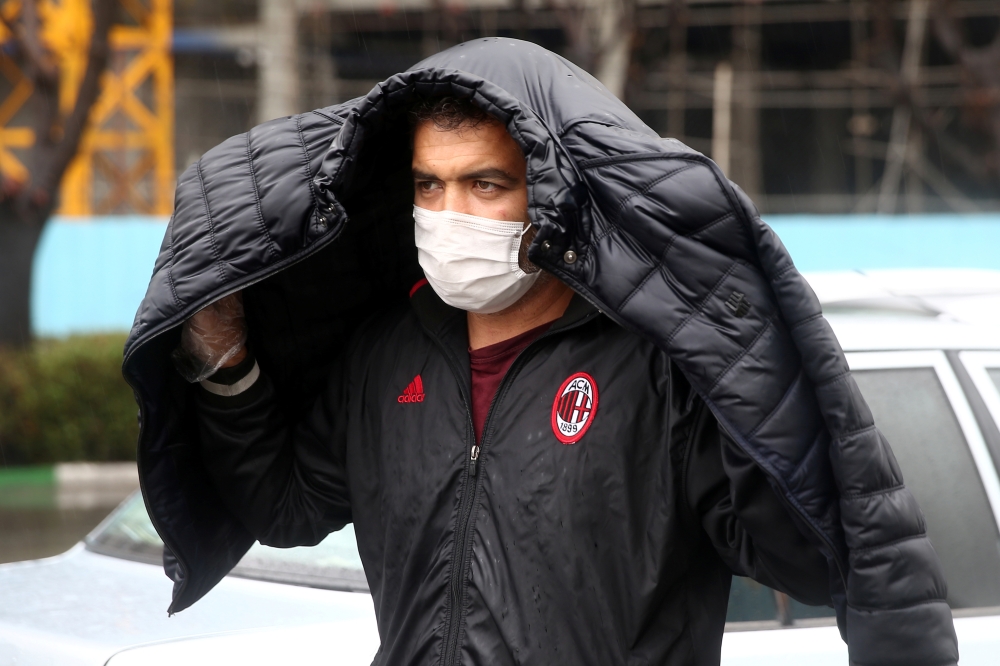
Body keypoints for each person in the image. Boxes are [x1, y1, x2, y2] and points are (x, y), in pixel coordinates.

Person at [127, 39, 957, 666]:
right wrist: (225, 365)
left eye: (485, 185)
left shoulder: (656, 366)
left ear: (552, 197)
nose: (448, 215)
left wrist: (740, 367)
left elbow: (809, 555)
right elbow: (286, 506)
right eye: (427, 185)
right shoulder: (386, 355)